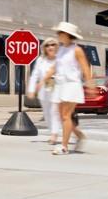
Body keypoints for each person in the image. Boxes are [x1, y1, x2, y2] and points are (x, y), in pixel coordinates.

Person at [44, 22, 93, 155]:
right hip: (60, 85)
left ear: (67, 34)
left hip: (72, 85)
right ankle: (79, 135)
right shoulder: (61, 49)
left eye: (60, 32)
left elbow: (85, 68)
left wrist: (90, 85)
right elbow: (55, 67)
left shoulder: (77, 50)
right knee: (63, 117)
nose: (58, 34)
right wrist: (44, 79)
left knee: (66, 116)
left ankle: (64, 147)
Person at [27, 37, 60, 145]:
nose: (50, 47)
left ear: (57, 47)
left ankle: (54, 135)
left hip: (58, 90)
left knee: (54, 112)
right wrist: (31, 90)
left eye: (53, 44)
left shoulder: (60, 59)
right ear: (44, 48)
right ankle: (52, 132)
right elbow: (34, 75)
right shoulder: (40, 60)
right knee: (47, 113)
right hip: (44, 92)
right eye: (47, 45)